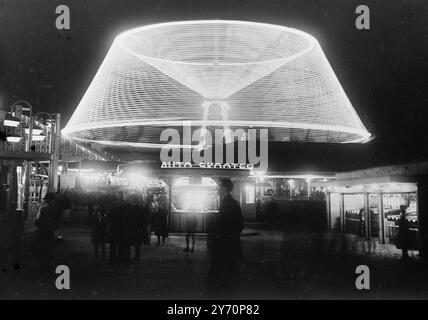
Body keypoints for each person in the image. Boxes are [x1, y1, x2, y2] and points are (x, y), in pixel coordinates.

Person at [207, 178, 244, 297]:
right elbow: (240, 225)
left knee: (221, 273)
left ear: (223, 188)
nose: (217, 189)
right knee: (229, 272)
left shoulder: (227, 203)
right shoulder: (232, 202)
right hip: (230, 243)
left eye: (219, 186)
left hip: (224, 244)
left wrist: (221, 237)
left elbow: (227, 224)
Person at [34, 193, 57, 269]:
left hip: (42, 230)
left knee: (39, 246)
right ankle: (49, 263)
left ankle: (39, 264)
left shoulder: (42, 208)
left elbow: (37, 220)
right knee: (50, 247)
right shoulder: (55, 209)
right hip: (50, 231)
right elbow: (57, 221)